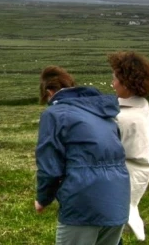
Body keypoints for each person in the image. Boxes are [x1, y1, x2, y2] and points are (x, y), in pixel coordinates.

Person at [34, 66, 129, 245]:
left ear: (49, 92)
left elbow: (49, 165)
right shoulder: (102, 111)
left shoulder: (54, 113)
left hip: (83, 203)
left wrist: (43, 198)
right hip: (118, 200)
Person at [108, 51, 149, 242]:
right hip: (133, 176)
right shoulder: (140, 105)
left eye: (115, 79)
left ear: (126, 83)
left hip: (123, 180)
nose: (113, 84)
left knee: (108, 229)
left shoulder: (125, 118)